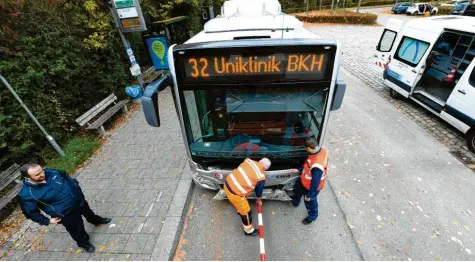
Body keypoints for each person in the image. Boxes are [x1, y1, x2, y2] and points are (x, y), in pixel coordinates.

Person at [18, 164, 111, 253]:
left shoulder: (51, 172)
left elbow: (65, 176)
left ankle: (96, 220)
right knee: (77, 230)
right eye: (37, 174)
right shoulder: (26, 194)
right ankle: (84, 243)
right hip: (66, 213)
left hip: (78, 200)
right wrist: (47, 221)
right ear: (27, 177)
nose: (42, 174)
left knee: (89, 213)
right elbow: (30, 213)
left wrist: (75, 185)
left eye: (41, 170)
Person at [224, 158, 271, 236]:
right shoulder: (261, 176)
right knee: (247, 213)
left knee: (241, 205)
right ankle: (249, 231)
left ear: (260, 161)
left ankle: (240, 210)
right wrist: (259, 200)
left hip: (227, 183)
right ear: (266, 169)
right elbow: (258, 192)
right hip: (235, 194)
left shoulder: (249, 161)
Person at [291, 137, 328, 225]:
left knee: (310, 202)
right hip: (304, 181)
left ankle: (312, 216)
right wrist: (300, 170)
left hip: (310, 186)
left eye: (306, 148)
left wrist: (309, 195)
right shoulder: (322, 150)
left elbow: (315, 183)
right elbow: (308, 163)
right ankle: (295, 201)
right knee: (297, 189)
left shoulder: (317, 167)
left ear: (309, 148)